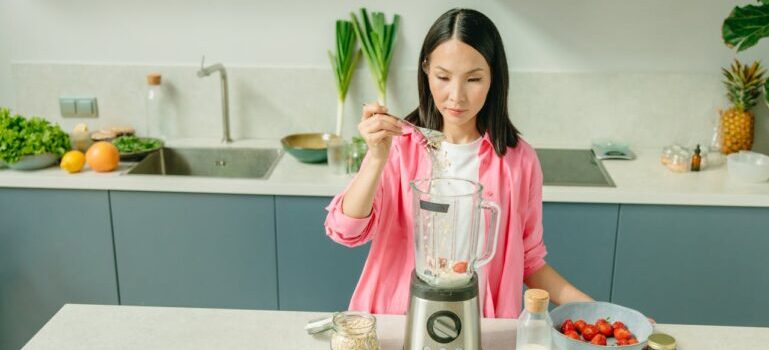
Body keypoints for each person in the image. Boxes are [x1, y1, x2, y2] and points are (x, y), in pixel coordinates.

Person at [324, 8, 593, 318]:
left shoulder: (519, 161)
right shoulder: (400, 147)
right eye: (443, 77)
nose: (456, 96)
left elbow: (530, 262)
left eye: (474, 79)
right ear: (426, 70)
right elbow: (344, 230)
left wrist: (596, 313)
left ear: (494, 76)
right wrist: (376, 159)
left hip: (479, 326)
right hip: (398, 321)